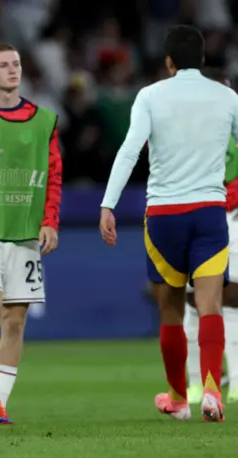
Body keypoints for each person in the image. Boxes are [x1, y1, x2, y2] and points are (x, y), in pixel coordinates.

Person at [100, 25, 238, 422]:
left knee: (172, 312)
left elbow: (130, 152)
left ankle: (179, 399)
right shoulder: (227, 97)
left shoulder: (150, 95)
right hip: (211, 213)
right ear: (205, 59)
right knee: (210, 306)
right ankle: (212, 390)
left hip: (164, 215)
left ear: (169, 62)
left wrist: (108, 204)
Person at [0, 42, 62, 425]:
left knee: (15, 319)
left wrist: (50, 220)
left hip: (26, 231)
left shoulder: (45, 120)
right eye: (4, 65)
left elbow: (54, 174)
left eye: (17, 63)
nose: (13, 70)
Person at [184, 67, 238, 405]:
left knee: (230, 300)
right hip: (196, 216)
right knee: (192, 302)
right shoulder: (185, 129)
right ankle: (196, 383)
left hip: (232, 215)